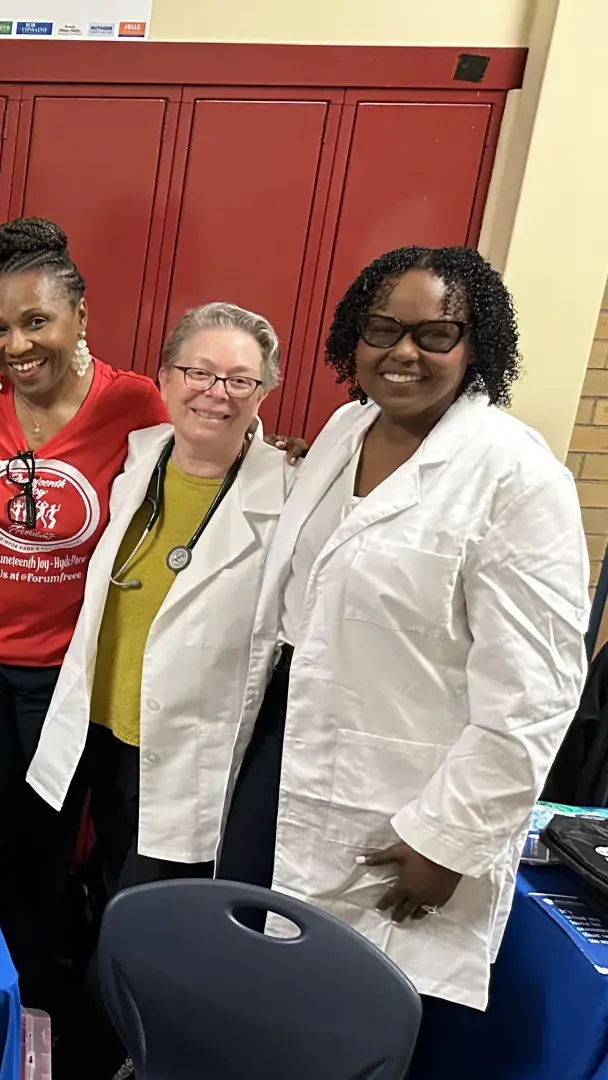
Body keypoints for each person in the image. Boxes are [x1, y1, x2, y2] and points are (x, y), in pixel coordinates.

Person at [219, 246, 587, 1013]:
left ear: (476, 343)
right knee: (255, 978)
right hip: (283, 749)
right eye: (383, 329)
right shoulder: (346, 429)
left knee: (351, 1013)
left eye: (436, 334)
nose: (404, 353)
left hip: (406, 794)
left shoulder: (516, 477)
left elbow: (538, 694)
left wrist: (449, 839)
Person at [0, 217, 166, 1005]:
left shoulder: (136, 405)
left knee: (45, 844)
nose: (15, 344)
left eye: (36, 322)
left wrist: (274, 454)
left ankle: (27, 1003)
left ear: (81, 317)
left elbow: (203, 467)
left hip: (66, 664)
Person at [27, 302, 292, 904]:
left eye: (240, 380)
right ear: (166, 379)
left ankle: (120, 999)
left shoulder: (291, 493)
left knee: (150, 904)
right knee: (94, 875)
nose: (216, 394)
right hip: (100, 722)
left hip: (183, 745)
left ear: (262, 394)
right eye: (198, 373)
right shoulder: (139, 454)